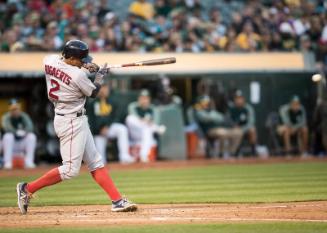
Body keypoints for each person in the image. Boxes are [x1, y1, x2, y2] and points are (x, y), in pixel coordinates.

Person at [16, 40, 137, 215]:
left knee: (95, 162)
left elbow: (67, 63)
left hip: (69, 117)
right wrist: (100, 76)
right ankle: (27, 188)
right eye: (80, 59)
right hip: (71, 122)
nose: (83, 61)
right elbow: (94, 92)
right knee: (70, 170)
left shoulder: (49, 60)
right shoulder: (77, 76)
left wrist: (86, 65)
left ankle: (117, 201)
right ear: (71, 58)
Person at [87, 83, 135, 164]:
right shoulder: (92, 103)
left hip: (110, 128)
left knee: (122, 129)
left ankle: (124, 156)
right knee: (100, 161)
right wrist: (98, 131)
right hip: (98, 132)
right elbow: (91, 120)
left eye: (105, 88)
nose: (103, 90)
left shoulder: (113, 101)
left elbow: (115, 117)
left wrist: (107, 126)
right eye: (101, 88)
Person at [126, 89, 166, 162]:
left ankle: (143, 156)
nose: (144, 100)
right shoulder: (133, 106)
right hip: (134, 133)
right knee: (130, 118)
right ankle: (158, 129)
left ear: (149, 99)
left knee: (147, 129)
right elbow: (134, 117)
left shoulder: (153, 108)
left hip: (146, 134)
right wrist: (144, 121)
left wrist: (148, 122)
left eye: (146, 98)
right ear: (139, 99)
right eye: (142, 98)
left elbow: (156, 121)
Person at [2, 99, 37, 169]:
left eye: (16, 109)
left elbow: (30, 127)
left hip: (21, 142)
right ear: (10, 110)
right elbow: (6, 128)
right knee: (8, 136)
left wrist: (24, 132)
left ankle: (29, 161)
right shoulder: (6, 117)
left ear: (19, 109)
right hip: (11, 144)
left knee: (31, 136)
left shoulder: (24, 116)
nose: (15, 111)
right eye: (13, 109)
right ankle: (7, 162)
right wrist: (16, 132)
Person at [229, 91, 257, 155]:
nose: (238, 100)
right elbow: (228, 120)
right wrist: (233, 126)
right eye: (237, 98)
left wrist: (242, 129)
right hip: (234, 129)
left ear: (243, 99)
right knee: (235, 132)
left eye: (240, 98)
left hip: (245, 129)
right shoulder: (231, 108)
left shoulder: (248, 108)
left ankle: (254, 152)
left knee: (252, 130)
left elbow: (251, 122)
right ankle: (234, 152)